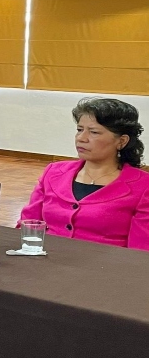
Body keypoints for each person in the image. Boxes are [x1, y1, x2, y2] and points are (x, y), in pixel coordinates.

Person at [20, 98, 149, 250]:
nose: (81, 138)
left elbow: (140, 251)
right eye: (79, 130)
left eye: (94, 132)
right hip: (45, 259)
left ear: (122, 141)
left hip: (106, 264)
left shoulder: (143, 186)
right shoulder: (53, 172)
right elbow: (27, 225)